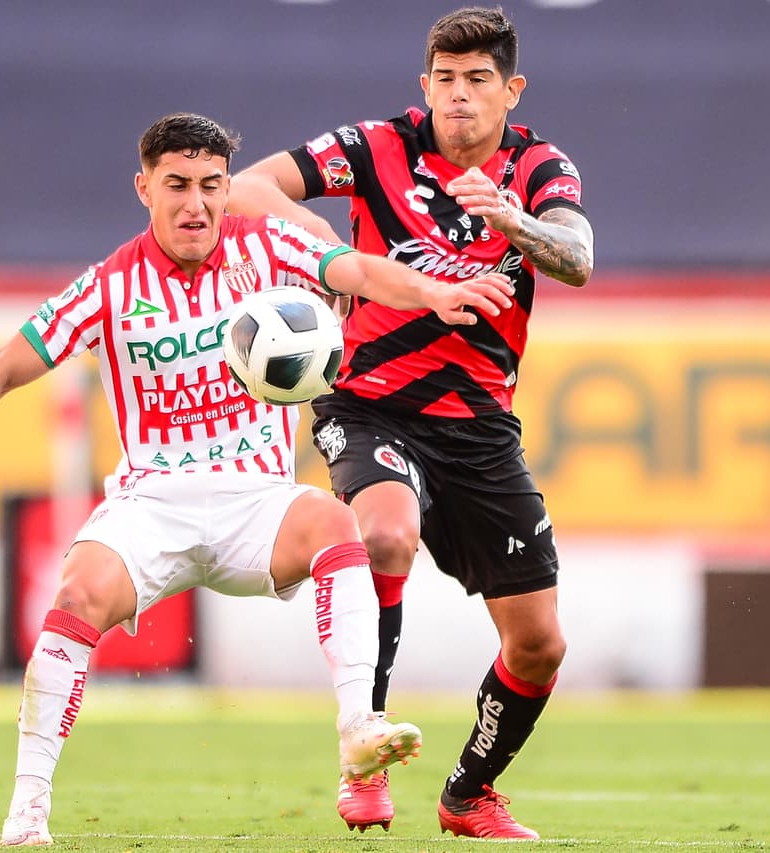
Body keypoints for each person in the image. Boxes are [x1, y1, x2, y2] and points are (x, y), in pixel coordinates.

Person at [0, 112, 516, 846]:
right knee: (75, 595)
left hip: (256, 501)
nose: (196, 204)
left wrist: (432, 293)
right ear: (144, 189)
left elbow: (361, 271)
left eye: (212, 186)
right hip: (151, 505)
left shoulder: (269, 246)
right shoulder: (109, 285)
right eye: (177, 185)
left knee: (336, 521)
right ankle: (27, 809)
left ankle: (357, 729)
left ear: (228, 188)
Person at [227, 5, 594, 839]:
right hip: (369, 405)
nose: (459, 95)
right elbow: (249, 186)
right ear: (425, 83)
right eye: (445, 79)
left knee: (539, 645)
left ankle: (468, 793)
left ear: (511, 89)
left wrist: (511, 220)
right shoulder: (376, 146)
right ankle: (365, 744)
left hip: (480, 426)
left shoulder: (539, 166)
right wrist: (324, 245)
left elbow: (577, 259)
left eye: (478, 80)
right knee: (385, 535)